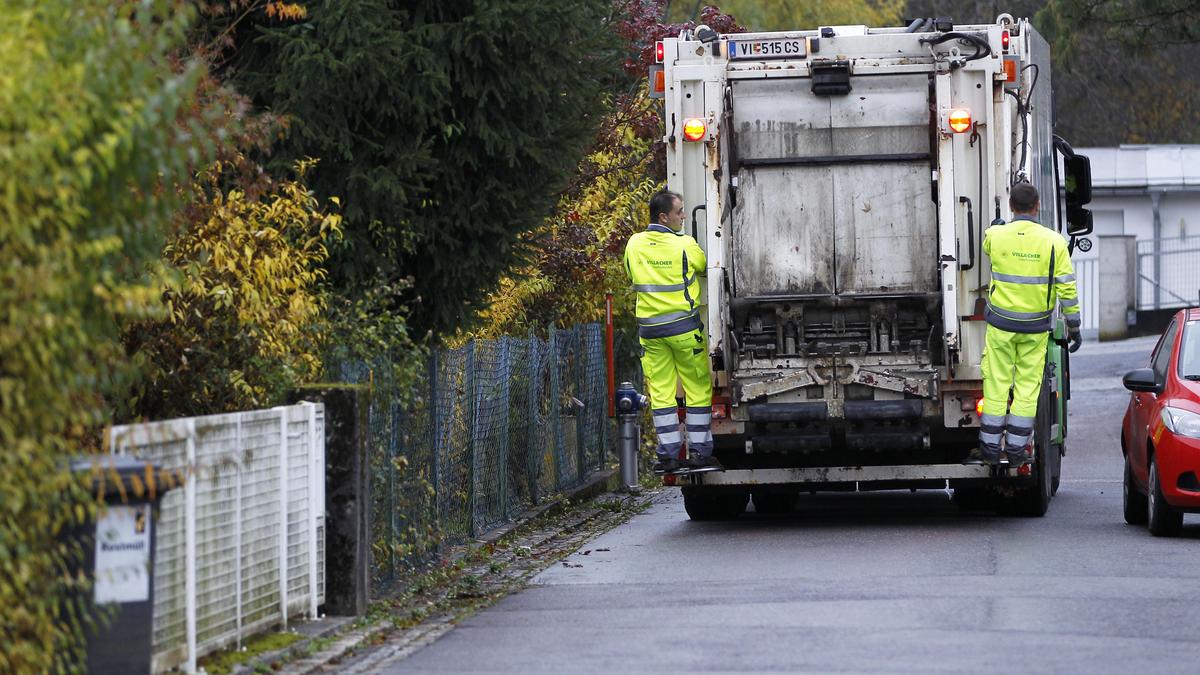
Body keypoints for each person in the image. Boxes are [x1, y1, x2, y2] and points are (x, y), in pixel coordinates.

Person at [969, 182, 1082, 466]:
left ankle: (991, 449)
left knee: (996, 385)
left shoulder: (996, 236)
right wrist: (1074, 325)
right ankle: (1017, 451)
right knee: (1027, 388)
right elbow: (1067, 289)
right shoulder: (1054, 242)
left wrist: (997, 226)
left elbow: (987, 242)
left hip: (1001, 327)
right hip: (1035, 329)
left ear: (1011, 207)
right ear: (1038, 206)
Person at [623, 190, 722, 475]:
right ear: (663, 216)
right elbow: (705, 267)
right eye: (679, 212)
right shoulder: (685, 244)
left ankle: (668, 456)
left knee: (663, 393)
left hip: (651, 333)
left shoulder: (635, 243)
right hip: (683, 330)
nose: (683, 217)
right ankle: (700, 454)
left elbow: (631, 273)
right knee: (697, 388)